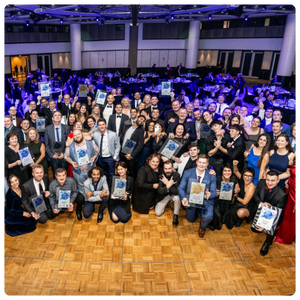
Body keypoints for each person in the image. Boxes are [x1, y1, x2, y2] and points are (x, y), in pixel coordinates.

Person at [178, 154, 217, 238]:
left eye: (204, 163)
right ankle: (197, 211)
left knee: (208, 217)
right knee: (190, 219)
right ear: (196, 162)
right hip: (191, 199)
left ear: (207, 164)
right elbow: (181, 188)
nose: (201, 165)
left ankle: (203, 227)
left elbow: (214, 192)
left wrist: (209, 194)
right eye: (200, 162)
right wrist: (184, 198)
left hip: (206, 200)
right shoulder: (188, 172)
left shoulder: (211, 175)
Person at [252, 171, 288, 256]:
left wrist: (264, 227)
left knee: (271, 229)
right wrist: (261, 203)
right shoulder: (261, 183)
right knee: (254, 229)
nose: (269, 183)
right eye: (268, 180)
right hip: (261, 210)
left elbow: (277, 214)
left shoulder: (282, 195)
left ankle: (267, 243)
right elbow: (255, 196)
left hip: (274, 216)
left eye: (273, 180)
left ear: (278, 181)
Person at [64, 129, 99, 210]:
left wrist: (94, 157)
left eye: (78, 134)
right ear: (73, 137)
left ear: (82, 134)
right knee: (81, 187)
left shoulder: (91, 142)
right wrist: (72, 162)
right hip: (78, 172)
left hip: (90, 170)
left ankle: (91, 202)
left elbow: (97, 151)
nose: (77, 136)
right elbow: (66, 156)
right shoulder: (70, 146)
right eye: (75, 135)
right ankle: (86, 202)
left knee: (92, 185)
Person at [223, 164, 256, 229]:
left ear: (252, 177)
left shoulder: (252, 187)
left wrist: (235, 196)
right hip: (238, 203)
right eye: (245, 175)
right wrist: (235, 165)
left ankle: (241, 219)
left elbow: (244, 202)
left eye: (250, 176)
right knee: (227, 212)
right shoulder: (242, 180)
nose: (247, 177)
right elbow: (235, 171)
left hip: (247, 206)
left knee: (240, 213)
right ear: (243, 176)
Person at [208, 164, 238, 231]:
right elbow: (209, 189)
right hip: (217, 202)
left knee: (228, 219)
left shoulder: (234, 180)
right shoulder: (217, 179)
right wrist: (214, 192)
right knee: (217, 216)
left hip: (228, 203)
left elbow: (237, 190)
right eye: (225, 170)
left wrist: (237, 190)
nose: (227, 172)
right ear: (222, 172)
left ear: (231, 172)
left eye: (229, 171)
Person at [93, 118, 120, 185]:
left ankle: (110, 188)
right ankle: (104, 187)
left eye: (103, 124)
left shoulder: (113, 134)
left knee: (111, 175)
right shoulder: (95, 134)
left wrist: (115, 156)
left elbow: (118, 146)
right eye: (100, 125)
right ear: (97, 126)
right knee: (102, 174)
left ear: (106, 125)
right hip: (100, 158)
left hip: (110, 157)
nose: (101, 126)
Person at [156, 160, 181, 226]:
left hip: (173, 194)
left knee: (177, 198)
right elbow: (160, 191)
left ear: (173, 168)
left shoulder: (177, 175)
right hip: (164, 195)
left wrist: (167, 184)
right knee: (158, 213)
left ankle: (176, 215)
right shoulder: (161, 176)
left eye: (169, 168)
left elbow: (177, 192)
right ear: (163, 169)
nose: (167, 170)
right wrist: (168, 186)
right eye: (166, 168)